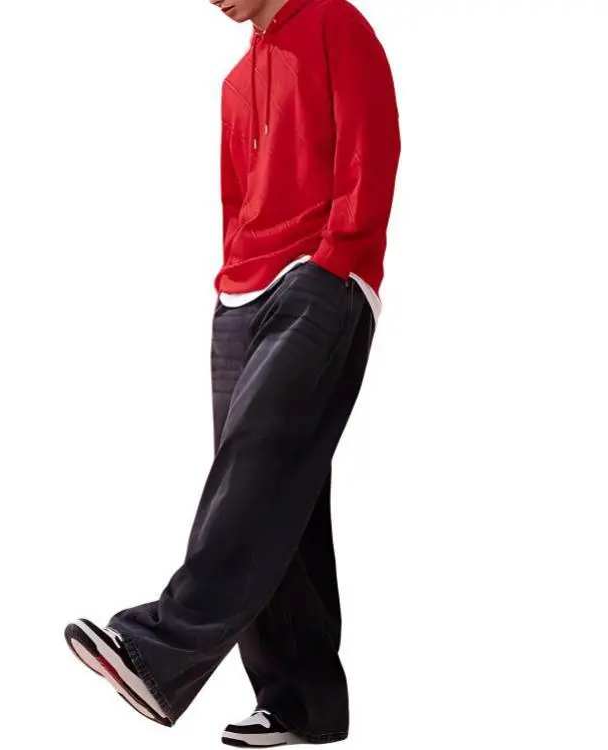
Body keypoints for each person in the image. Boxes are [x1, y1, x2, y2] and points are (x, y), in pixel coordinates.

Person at [64, 0, 400, 745]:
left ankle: (158, 648)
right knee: (281, 493)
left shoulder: (335, 23)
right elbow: (235, 198)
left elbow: (371, 147)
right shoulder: (237, 81)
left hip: (320, 281)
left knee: (253, 468)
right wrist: (229, 288)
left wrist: (337, 260)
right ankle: (301, 701)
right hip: (240, 298)